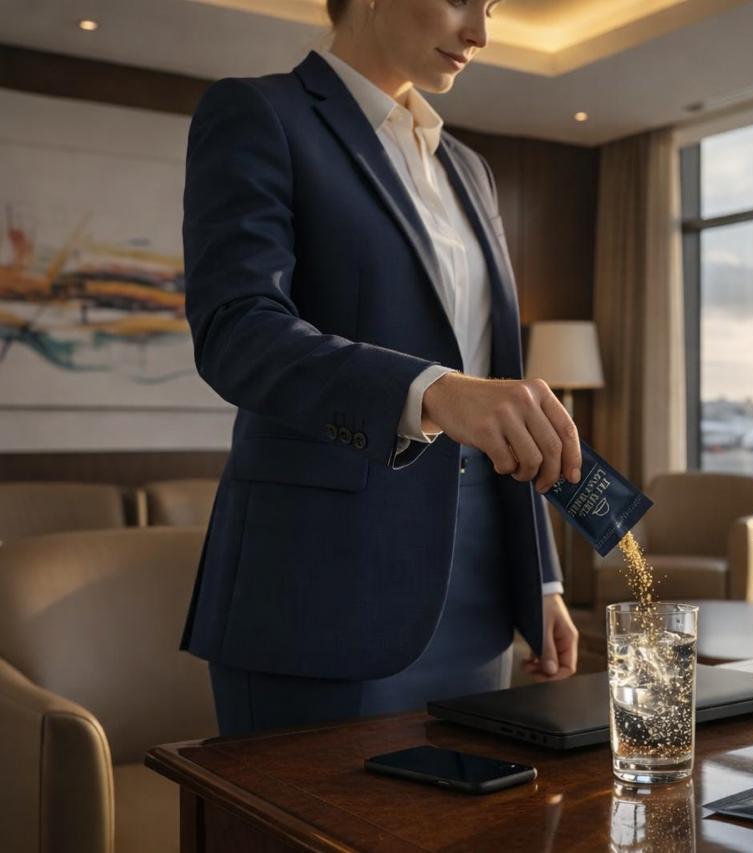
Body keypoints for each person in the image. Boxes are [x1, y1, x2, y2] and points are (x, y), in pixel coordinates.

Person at [179, 0, 582, 736]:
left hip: (479, 600)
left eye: (491, 7)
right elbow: (237, 329)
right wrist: (431, 392)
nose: (481, 33)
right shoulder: (258, 115)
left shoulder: (471, 170)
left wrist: (542, 579)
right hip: (319, 590)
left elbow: (497, 378)